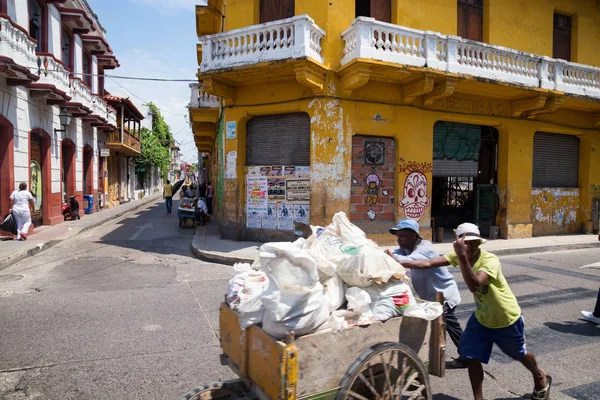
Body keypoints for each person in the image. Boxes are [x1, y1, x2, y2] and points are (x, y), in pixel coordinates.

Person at [399, 223, 551, 400]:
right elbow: (427, 262)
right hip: (481, 318)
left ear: (479, 243)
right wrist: (397, 262)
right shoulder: (459, 255)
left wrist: (462, 257)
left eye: (473, 243)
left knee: (518, 354)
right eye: (465, 243)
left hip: (505, 317)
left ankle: (539, 376)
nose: (470, 247)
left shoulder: (489, 260)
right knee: (472, 355)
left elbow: (475, 285)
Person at [384, 219, 467, 369]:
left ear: (414, 236)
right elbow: (395, 255)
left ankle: (467, 356)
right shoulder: (405, 249)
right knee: (440, 325)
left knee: (450, 326)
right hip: (431, 297)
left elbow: (407, 261)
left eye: (403, 236)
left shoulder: (425, 249)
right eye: (398, 236)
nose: (399, 239)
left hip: (445, 295)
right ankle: (436, 353)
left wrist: (391, 258)